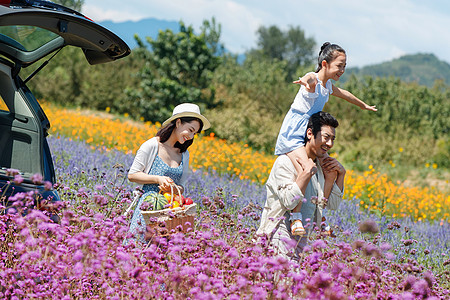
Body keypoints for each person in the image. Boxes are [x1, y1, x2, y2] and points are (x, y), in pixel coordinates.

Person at [275, 42, 376, 236]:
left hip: (310, 131)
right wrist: (305, 82)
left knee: (328, 167)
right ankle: (295, 217)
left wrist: (363, 105)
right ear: (324, 64)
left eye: (344, 66)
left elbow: (345, 94)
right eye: (339, 65)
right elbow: (309, 78)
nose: (342, 70)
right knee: (306, 169)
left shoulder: (328, 85)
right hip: (295, 133)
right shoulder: (314, 79)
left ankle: (320, 217)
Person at [257, 111, 346, 260]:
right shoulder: (285, 162)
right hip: (278, 234)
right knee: (285, 279)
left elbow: (332, 205)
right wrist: (305, 173)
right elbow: (289, 201)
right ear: (310, 133)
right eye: (326, 137)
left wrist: (339, 176)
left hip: (301, 239)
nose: (330, 144)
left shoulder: (320, 167)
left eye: (333, 139)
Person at [126, 103, 210, 244]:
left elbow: (181, 186)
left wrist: (173, 189)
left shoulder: (184, 154)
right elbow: (132, 175)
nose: (190, 136)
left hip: (169, 216)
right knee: (136, 254)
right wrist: (158, 179)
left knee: (158, 260)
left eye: (194, 133)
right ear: (178, 122)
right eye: (190, 130)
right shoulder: (152, 145)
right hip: (147, 212)